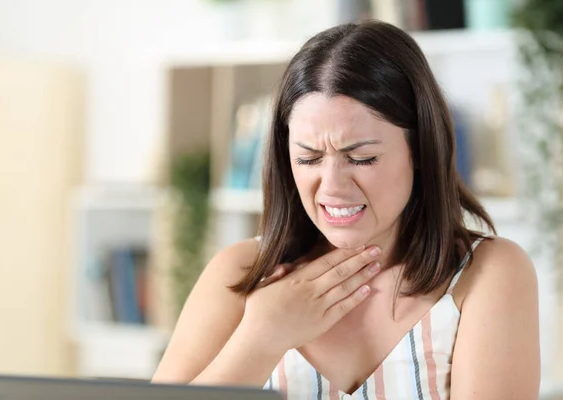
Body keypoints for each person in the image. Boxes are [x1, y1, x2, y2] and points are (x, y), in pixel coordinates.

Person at [152, 20, 540, 399]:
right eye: (308, 159)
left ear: (421, 149)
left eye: (362, 158)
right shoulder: (240, 274)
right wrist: (261, 338)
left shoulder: (487, 274)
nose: (332, 186)